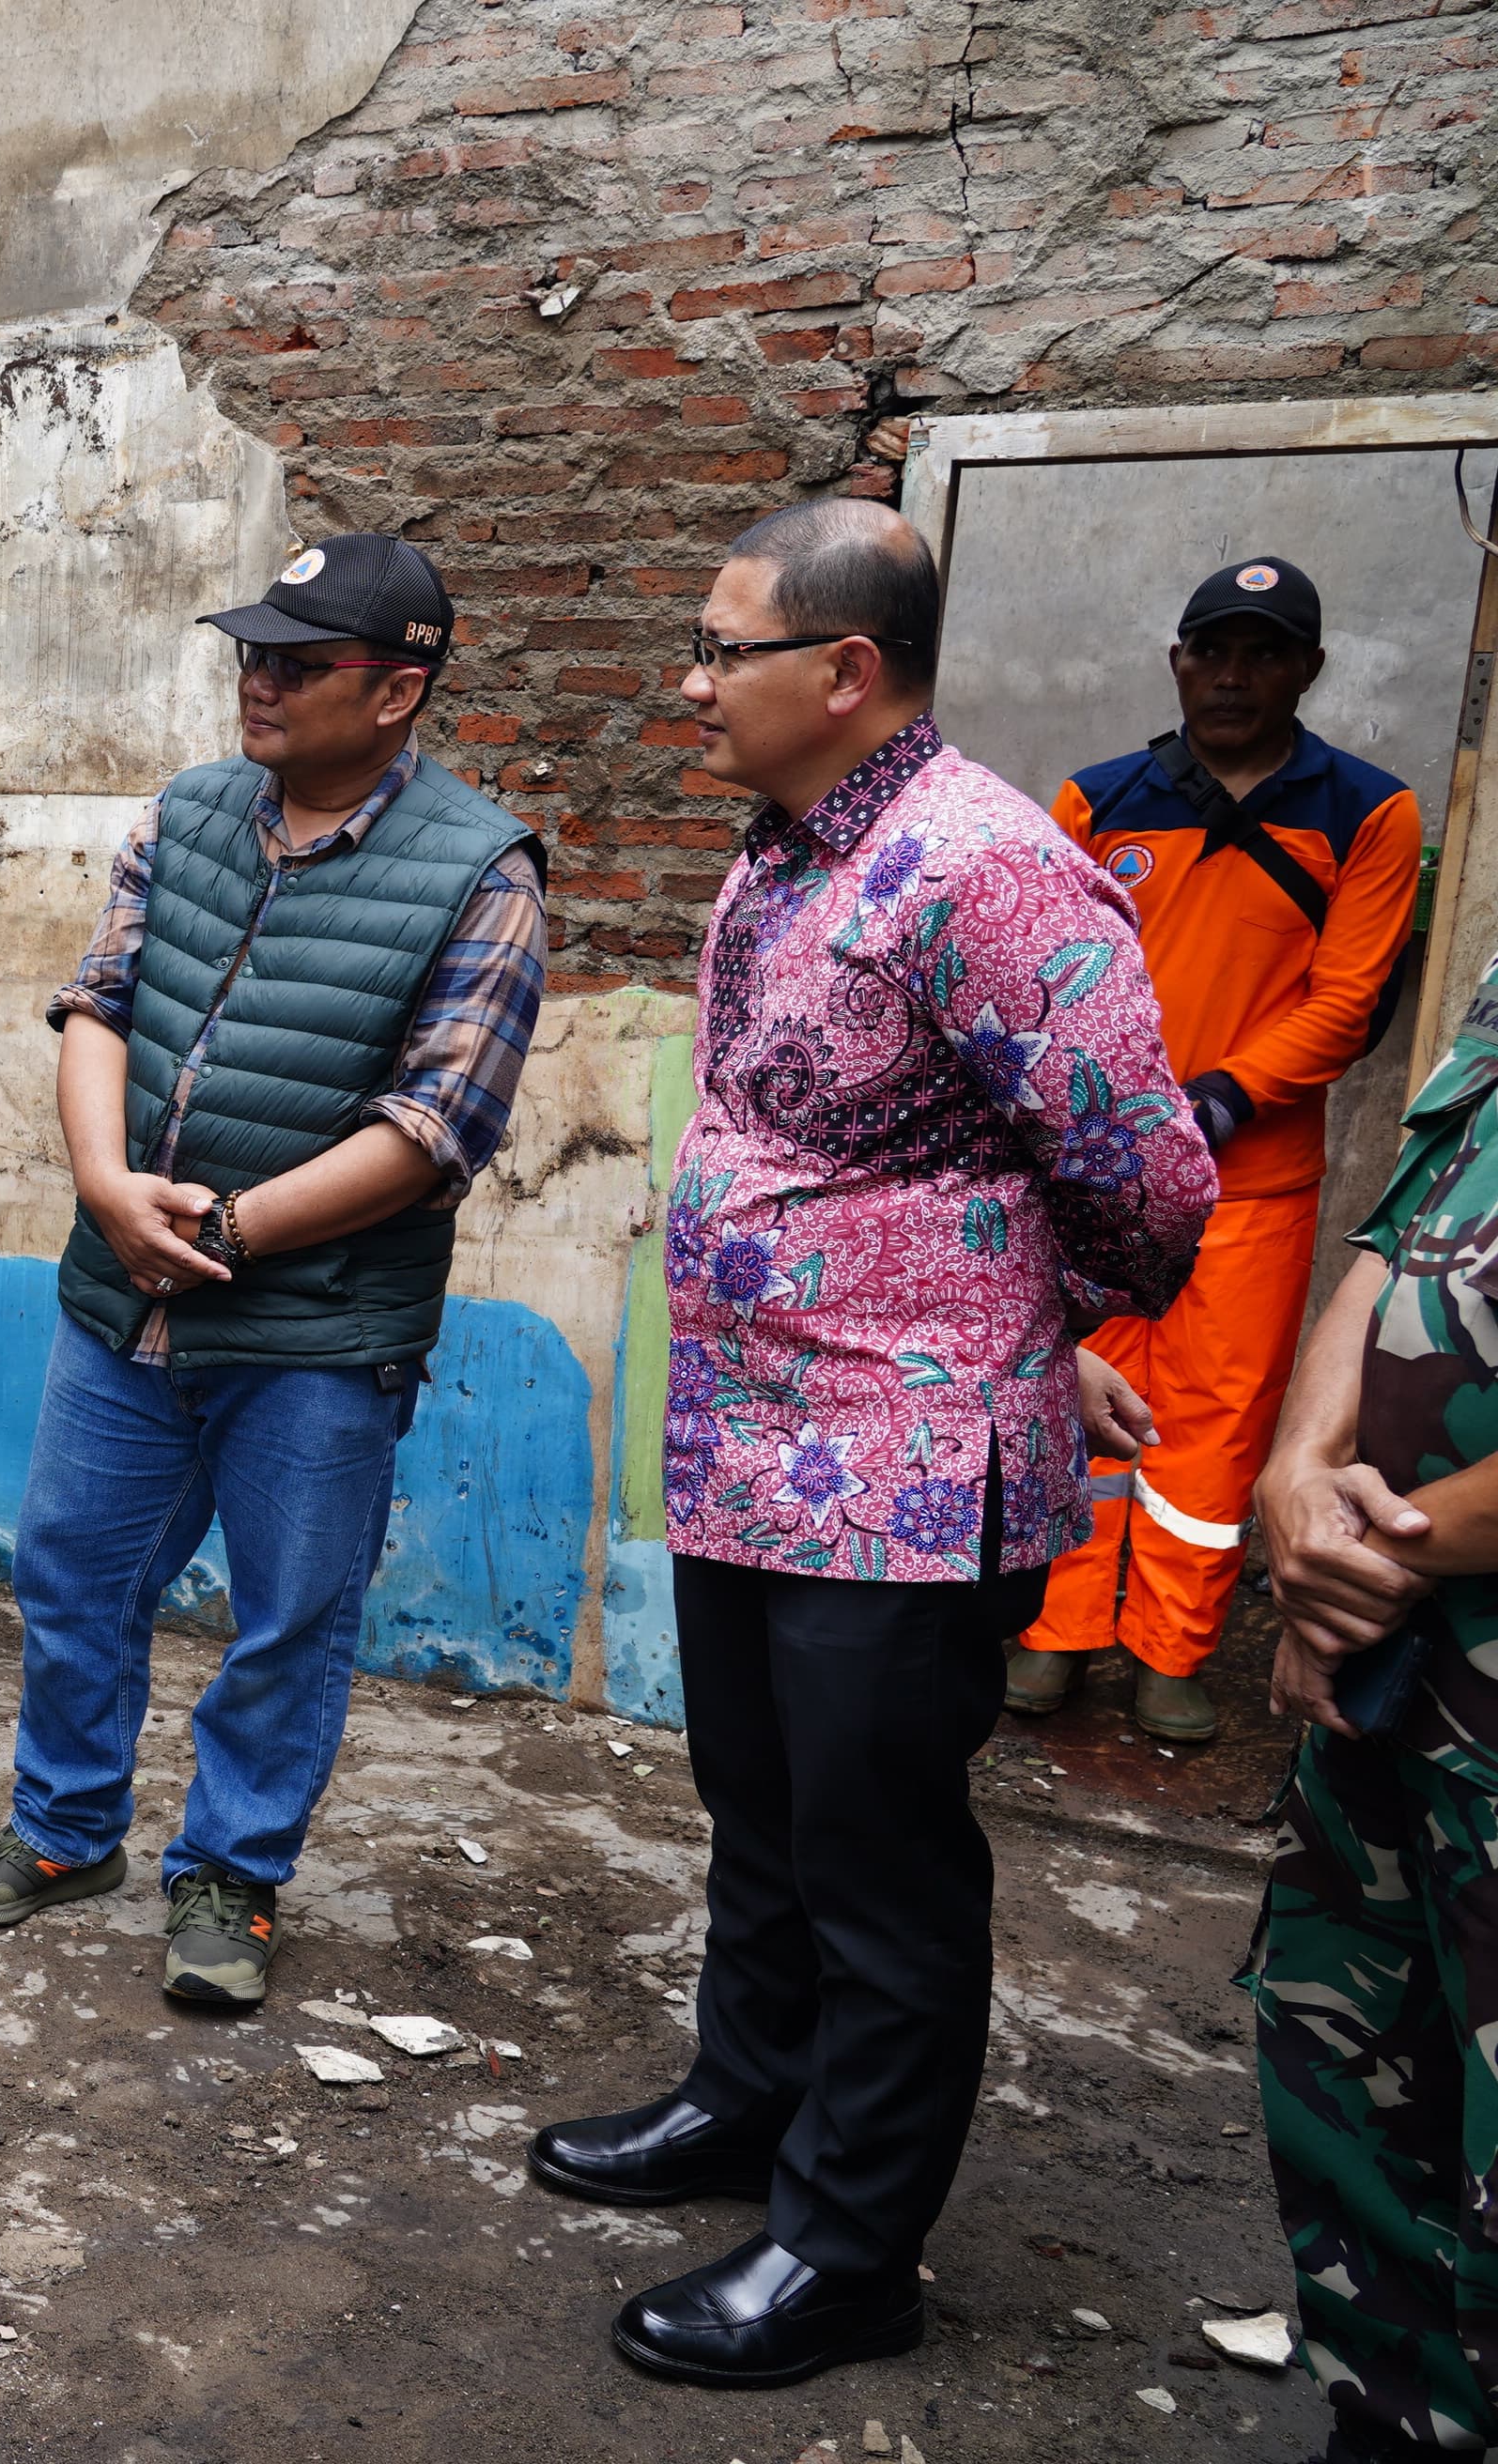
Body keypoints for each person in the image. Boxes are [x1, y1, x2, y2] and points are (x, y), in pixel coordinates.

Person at [524, 501, 1214, 2390]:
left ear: (843, 671)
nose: (685, 685)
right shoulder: (781, 855)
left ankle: (849, 2247)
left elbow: (1146, 1173)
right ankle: (746, 2111)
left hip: (905, 1479)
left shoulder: (983, 867)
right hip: (757, 1447)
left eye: (716, 648)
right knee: (765, 1817)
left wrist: (1025, 1327)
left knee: (881, 1867)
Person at [0, 531, 548, 2008]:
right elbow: (101, 1004)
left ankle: (232, 1875)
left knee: (288, 1616)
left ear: (396, 691)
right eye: (250, 653)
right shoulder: (192, 813)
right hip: (119, 1295)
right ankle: (67, 1832)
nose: (257, 682)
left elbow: (437, 1126)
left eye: (296, 660)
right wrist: (104, 1188)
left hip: (319, 1333)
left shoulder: (483, 871)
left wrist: (230, 1236)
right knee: (73, 1573)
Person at [1011, 555, 1423, 1745]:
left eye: (1264, 653)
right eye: (1213, 650)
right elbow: (1051, 969)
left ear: (1308, 669)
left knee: (1217, 1415)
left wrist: (1224, 1098)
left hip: (1253, 1184)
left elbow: (1348, 1002)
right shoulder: (1100, 799)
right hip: (1100, 1174)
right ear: (1177, 661)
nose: (1233, 676)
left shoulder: (1366, 810)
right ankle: (1055, 1631)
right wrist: (1109, 1115)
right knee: (1079, 1392)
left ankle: (1171, 1650)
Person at [1243, 932, 1498, 2462]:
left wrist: (1390, 1545)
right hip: (1402, 1679)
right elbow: (1395, 1241)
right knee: (1355, 2058)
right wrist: (1296, 1477)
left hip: (1426, 1606)